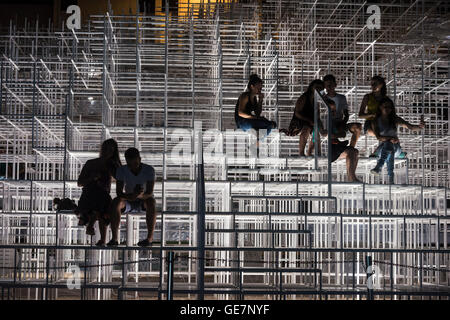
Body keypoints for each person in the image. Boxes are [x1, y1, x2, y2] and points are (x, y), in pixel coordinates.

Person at [108, 147, 156, 247]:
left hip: (143, 200)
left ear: (140, 159)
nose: (133, 167)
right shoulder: (121, 170)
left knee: (151, 201)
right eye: (130, 165)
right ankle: (114, 238)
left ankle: (149, 238)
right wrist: (131, 196)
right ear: (126, 162)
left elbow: (149, 193)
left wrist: (139, 195)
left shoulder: (149, 170)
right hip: (129, 199)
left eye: (135, 164)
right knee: (116, 201)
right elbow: (119, 192)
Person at [76, 139, 121, 245]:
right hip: (90, 195)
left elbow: (120, 178)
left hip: (101, 196)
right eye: (106, 148)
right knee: (101, 205)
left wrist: (114, 167)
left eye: (111, 149)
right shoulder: (91, 163)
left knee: (102, 202)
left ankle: (94, 228)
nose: (108, 151)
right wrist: (92, 178)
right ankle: (100, 236)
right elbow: (80, 182)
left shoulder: (112, 165)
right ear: (102, 149)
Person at [370, 98, 425, 184]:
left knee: (389, 146)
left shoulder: (395, 119)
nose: (388, 109)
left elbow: (410, 127)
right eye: (386, 107)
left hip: (395, 148)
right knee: (389, 146)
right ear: (380, 107)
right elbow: (378, 137)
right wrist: (390, 139)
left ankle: (379, 167)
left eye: (390, 107)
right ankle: (390, 177)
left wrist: (420, 127)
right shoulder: (375, 121)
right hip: (384, 148)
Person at [281, 79, 327, 156]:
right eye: (316, 87)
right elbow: (297, 113)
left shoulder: (317, 100)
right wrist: (309, 120)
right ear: (311, 87)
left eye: (320, 87)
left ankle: (316, 153)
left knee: (316, 133)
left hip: (311, 122)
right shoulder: (304, 97)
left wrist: (320, 127)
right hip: (299, 121)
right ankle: (301, 153)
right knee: (306, 130)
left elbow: (318, 116)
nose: (318, 89)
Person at [326, 99, 361, 182]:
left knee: (354, 151)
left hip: (334, 147)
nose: (334, 113)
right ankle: (352, 178)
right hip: (327, 150)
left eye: (334, 110)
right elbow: (323, 136)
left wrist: (346, 118)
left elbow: (342, 133)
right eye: (331, 111)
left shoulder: (333, 122)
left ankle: (351, 177)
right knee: (352, 152)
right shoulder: (321, 121)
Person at [323, 74, 362, 148]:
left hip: (339, 122)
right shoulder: (323, 98)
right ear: (325, 86)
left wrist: (343, 123)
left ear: (335, 85)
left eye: (331, 84)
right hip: (327, 123)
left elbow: (346, 114)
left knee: (358, 127)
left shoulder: (341, 98)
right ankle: (335, 142)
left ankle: (351, 147)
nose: (329, 87)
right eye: (327, 85)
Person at [235, 74, 277, 140]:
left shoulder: (254, 98)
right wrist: (253, 117)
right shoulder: (245, 96)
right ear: (252, 87)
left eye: (261, 88)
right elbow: (240, 113)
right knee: (268, 124)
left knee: (271, 124)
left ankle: (257, 135)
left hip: (250, 120)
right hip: (242, 122)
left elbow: (257, 113)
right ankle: (257, 138)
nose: (260, 90)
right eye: (258, 88)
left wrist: (260, 101)